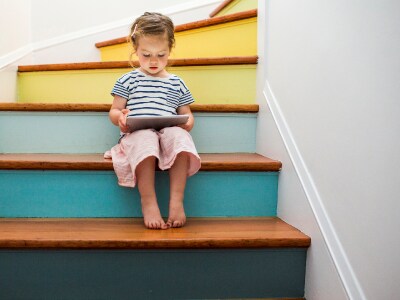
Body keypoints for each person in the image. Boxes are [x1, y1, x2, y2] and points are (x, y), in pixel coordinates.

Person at [107, 12, 201, 230]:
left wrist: (188, 123)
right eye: (146, 55)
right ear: (135, 50)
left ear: (170, 50)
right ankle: (148, 201)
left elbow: (187, 113)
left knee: (180, 137)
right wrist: (120, 117)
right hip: (138, 133)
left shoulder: (176, 82)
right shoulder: (128, 79)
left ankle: (176, 200)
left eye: (161, 55)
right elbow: (114, 111)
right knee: (146, 139)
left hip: (167, 131)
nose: (153, 61)